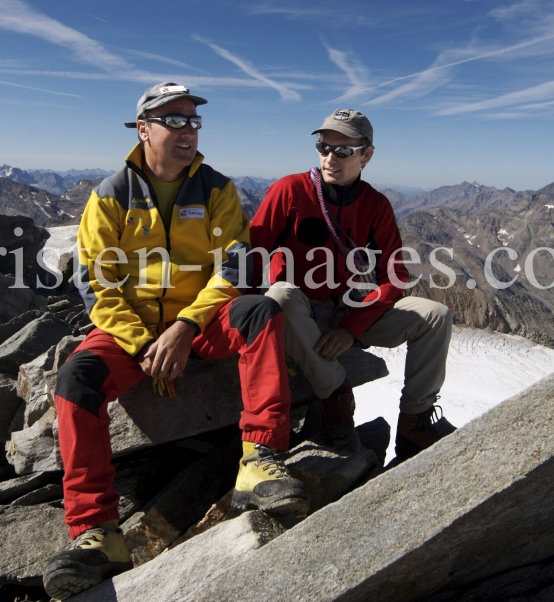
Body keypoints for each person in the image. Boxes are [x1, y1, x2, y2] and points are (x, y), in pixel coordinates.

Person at [43, 82, 308, 600]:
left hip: (199, 321)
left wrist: (184, 328)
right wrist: (146, 344)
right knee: (77, 378)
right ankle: (97, 534)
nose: (189, 131)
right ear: (143, 130)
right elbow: (95, 281)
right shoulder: (110, 195)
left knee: (260, 312)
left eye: (193, 121)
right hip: (131, 331)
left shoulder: (216, 189)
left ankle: (258, 462)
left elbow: (235, 266)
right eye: (175, 120)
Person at [250, 109, 455, 458]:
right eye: (323, 146)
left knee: (435, 314)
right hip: (297, 315)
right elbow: (251, 256)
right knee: (280, 295)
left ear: (366, 155)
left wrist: (352, 328)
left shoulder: (375, 205)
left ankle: (414, 424)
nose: (330, 157)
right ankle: (336, 397)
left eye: (343, 151)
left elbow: (396, 276)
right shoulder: (289, 191)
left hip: (348, 313)